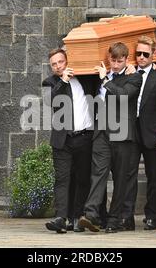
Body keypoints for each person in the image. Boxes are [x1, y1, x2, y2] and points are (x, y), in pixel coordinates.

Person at [78, 42, 142, 233]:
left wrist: (106, 80)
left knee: (121, 178)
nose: (115, 65)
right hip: (101, 133)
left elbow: (123, 95)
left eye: (119, 61)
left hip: (122, 134)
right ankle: (91, 214)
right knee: (98, 174)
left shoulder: (134, 77)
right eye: (112, 60)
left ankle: (115, 219)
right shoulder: (99, 74)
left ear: (126, 59)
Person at [42, 48, 96, 234]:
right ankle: (60, 217)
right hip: (62, 140)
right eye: (54, 64)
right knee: (62, 179)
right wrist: (63, 80)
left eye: (60, 62)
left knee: (82, 178)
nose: (58, 66)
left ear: (67, 61)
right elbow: (52, 102)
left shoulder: (85, 79)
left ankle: (76, 217)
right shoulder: (50, 82)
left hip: (84, 137)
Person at [124, 36, 156, 231]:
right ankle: (126, 217)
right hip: (131, 131)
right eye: (138, 54)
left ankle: (152, 216)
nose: (142, 57)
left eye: (145, 54)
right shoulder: (129, 73)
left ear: (153, 54)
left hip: (153, 133)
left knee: (154, 176)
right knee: (128, 175)